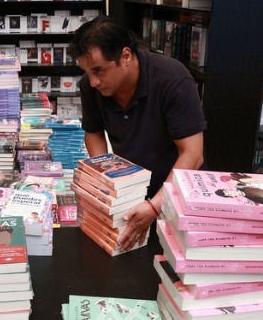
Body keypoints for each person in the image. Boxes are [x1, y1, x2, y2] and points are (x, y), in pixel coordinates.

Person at [69, 16, 206, 251]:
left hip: (178, 195)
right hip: (129, 194)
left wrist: (155, 206)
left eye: (99, 70)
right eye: (87, 72)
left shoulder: (172, 79)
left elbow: (193, 154)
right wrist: (104, 183)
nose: (93, 81)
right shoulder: (90, 86)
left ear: (125, 56)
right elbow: (93, 133)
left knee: (170, 268)